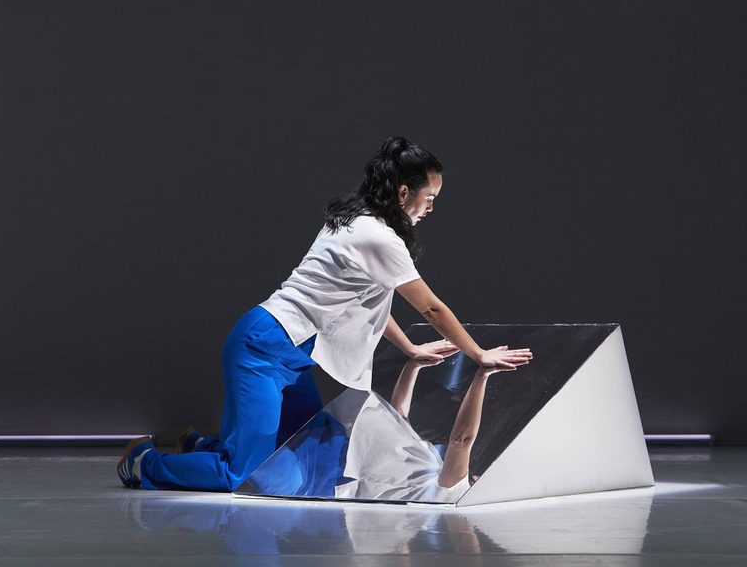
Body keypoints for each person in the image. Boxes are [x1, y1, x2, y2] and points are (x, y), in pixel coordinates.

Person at [116, 135, 533, 491]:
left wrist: (408, 348)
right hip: (263, 346)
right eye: (430, 198)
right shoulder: (377, 236)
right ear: (404, 192)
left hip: (294, 355)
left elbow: (365, 304)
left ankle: (198, 447)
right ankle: (144, 462)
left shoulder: (359, 220)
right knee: (242, 475)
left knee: (315, 452)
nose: (430, 208)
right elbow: (431, 307)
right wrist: (478, 355)